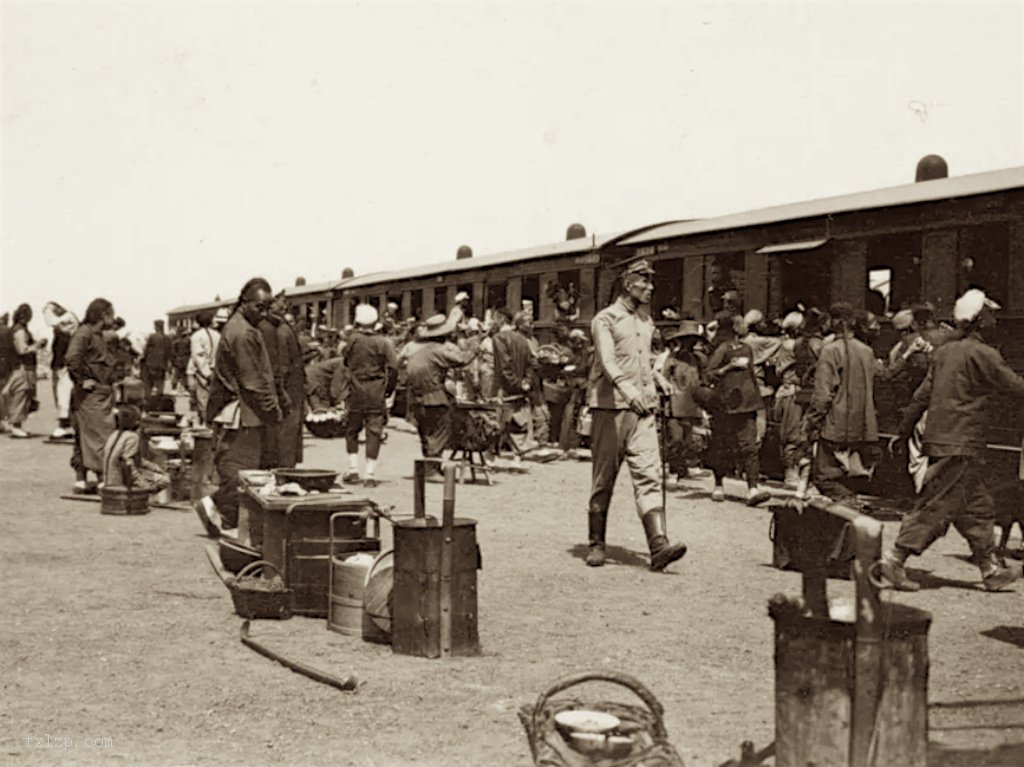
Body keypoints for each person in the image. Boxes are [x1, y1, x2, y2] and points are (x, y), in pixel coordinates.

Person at [879, 289, 1024, 592]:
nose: (994, 318)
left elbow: (921, 396)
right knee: (935, 506)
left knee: (977, 507)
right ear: (979, 319)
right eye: (990, 313)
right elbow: (1014, 386)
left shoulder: (944, 353)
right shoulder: (984, 354)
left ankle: (989, 568)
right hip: (961, 440)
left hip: (945, 439)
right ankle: (894, 561)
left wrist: (903, 431)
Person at [585, 258, 687, 571]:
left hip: (644, 409)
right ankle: (596, 544)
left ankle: (658, 546)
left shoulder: (646, 321)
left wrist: (658, 380)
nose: (650, 287)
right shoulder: (605, 319)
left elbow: (644, 360)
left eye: (650, 281)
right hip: (611, 408)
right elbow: (607, 362)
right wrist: (630, 393)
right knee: (604, 478)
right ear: (628, 283)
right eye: (644, 281)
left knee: (649, 475)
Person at [195, 278, 281, 538]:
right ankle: (222, 513)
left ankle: (224, 515)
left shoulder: (241, 326)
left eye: (267, 307)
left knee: (242, 470)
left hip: (243, 412)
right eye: (259, 307)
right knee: (242, 472)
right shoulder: (242, 333)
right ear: (245, 303)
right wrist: (272, 409)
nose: (264, 313)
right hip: (243, 413)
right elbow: (252, 381)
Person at [804, 302, 878, 505]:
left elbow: (823, 394)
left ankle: (849, 505)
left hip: (835, 425)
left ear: (837, 322)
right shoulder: (867, 351)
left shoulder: (830, 351)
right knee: (850, 475)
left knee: (824, 477)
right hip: (862, 425)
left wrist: (811, 423)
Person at [704, 314, 771, 506]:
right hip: (726, 405)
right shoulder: (723, 349)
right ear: (734, 327)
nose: (745, 326)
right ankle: (718, 485)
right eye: (742, 323)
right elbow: (709, 375)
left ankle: (752, 489)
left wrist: (758, 402)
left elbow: (751, 376)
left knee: (749, 447)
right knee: (721, 446)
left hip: (746, 404)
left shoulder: (747, 348)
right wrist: (727, 368)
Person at [404, 314, 478, 472]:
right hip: (433, 396)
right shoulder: (439, 350)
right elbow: (462, 360)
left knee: (426, 432)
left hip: (417, 397)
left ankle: (429, 466)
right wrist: (476, 343)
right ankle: (432, 469)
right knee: (441, 429)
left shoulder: (422, 351)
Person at [342, 304, 398, 487]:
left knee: (352, 430)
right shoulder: (384, 342)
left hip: (355, 391)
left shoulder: (352, 340)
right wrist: (388, 389)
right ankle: (370, 475)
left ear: (357, 321)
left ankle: (352, 470)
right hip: (376, 391)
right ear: (375, 323)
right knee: (374, 432)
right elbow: (394, 368)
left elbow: (345, 362)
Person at [66, 298, 118, 492]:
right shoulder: (85, 333)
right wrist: (81, 381)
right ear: (103, 315)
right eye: (111, 313)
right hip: (92, 394)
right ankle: (101, 477)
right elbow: (72, 358)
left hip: (97, 392)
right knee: (99, 434)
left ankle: (81, 478)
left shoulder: (94, 334)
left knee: (84, 434)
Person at [661, 320, 706, 485]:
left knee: (688, 439)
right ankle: (673, 470)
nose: (690, 344)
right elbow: (662, 378)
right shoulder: (672, 359)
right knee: (676, 438)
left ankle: (683, 468)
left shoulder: (697, 360)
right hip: (674, 403)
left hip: (691, 403)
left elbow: (701, 380)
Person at [1, 304, 47, 438]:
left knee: (21, 395)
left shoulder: (15, 329)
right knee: (21, 395)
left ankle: (17, 425)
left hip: (19, 367)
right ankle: (16, 425)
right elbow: (22, 350)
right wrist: (37, 345)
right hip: (22, 368)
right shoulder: (20, 330)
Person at [101, 404, 170, 493]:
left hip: (108, 478)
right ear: (136, 422)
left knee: (156, 473)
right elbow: (128, 464)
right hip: (120, 480)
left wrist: (155, 467)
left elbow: (135, 459)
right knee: (164, 480)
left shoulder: (114, 434)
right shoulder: (132, 437)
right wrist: (143, 484)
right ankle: (142, 497)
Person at [274, 295, 306, 468]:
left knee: (287, 434)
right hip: (292, 390)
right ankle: (286, 471)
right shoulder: (284, 331)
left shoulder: (281, 330)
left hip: (289, 389)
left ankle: (286, 469)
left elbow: (284, 364)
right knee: (289, 435)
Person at [43, 302, 79, 440]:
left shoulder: (68, 319)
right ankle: (66, 424)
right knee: (62, 395)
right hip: (61, 364)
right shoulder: (66, 322)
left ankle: (63, 425)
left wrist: (48, 309)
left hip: (65, 364)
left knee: (64, 395)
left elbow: (51, 321)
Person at [186, 311, 220, 426]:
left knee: (202, 401)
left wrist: (206, 373)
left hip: (201, 372)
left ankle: (206, 425)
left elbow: (198, 356)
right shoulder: (217, 335)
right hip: (214, 370)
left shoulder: (197, 336)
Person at [140, 320, 170, 407]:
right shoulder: (167, 338)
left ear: (156, 326)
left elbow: (146, 351)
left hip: (150, 364)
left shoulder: (152, 337)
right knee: (160, 385)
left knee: (148, 385)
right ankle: (158, 403)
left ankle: (148, 404)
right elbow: (169, 353)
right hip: (162, 365)